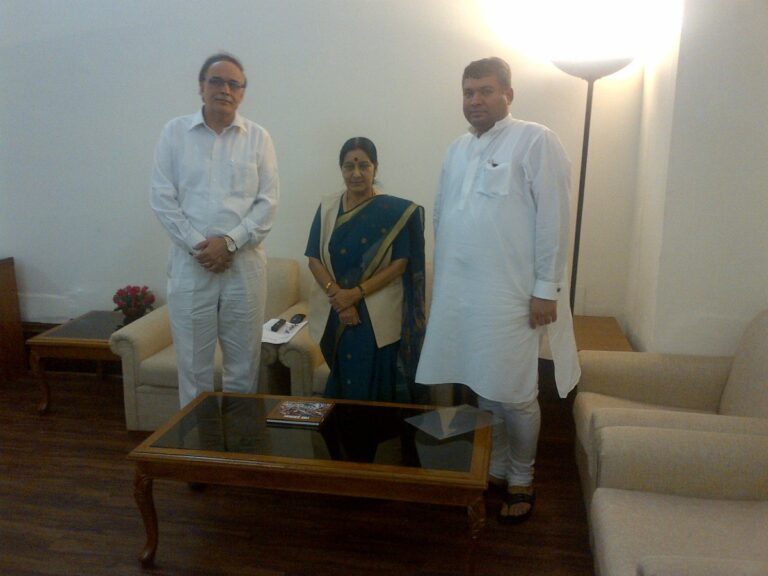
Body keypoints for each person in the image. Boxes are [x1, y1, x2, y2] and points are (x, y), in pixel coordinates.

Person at [415, 57, 580, 524]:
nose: (475, 100)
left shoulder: (535, 140)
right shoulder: (456, 150)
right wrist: (443, 288)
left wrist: (545, 288)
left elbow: (553, 218)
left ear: (509, 93)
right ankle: (499, 466)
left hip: (512, 295)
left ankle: (523, 477)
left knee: (516, 392)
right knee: (484, 389)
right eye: (468, 92)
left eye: (485, 91)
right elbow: (443, 217)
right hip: (464, 294)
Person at [150, 53, 279, 407]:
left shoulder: (258, 138)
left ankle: (237, 451)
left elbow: (267, 203)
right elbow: (162, 198)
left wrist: (230, 243)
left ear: (242, 92)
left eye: (233, 84)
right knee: (194, 370)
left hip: (244, 269)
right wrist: (201, 247)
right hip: (192, 266)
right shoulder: (174, 133)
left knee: (242, 369)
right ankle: (199, 454)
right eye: (216, 81)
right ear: (201, 87)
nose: (225, 89)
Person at [306, 137, 427, 403]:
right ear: (341, 169)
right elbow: (313, 257)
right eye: (349, 166)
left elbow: (400, 264)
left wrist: (356, 294)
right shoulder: (327, 206)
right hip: (335, 308)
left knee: (374, 386)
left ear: (375, 168)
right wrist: (339, 297)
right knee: (344, 382)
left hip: (377, 310)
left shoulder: (393, 211)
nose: (356, 173)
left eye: (364, 166)